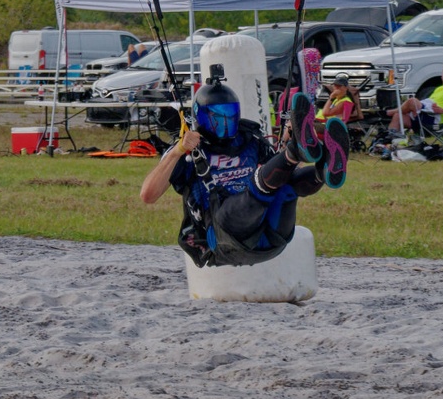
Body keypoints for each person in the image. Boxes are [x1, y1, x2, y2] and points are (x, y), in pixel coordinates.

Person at [140, 73, 348, 267]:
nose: (225, 123)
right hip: (226, 238)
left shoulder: (250, 139)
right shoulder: (188, 150)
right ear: (201, 117)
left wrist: (285, 141)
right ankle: (296, 152)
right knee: (255, 191)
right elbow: (148, 195)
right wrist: (178, 150)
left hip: (273, 235)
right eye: (218, 118)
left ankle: (324, 169)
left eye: (230, 116)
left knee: (285, 186)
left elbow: (280, 175)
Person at [388, 64, 443, 135]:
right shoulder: (439, 88)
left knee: (412, 101)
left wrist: (442, 111)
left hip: (434, 117)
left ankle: (388, 113)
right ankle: (391, 139)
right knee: (398, 116)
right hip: (424, 113)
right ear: (441, 76)